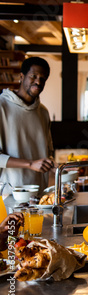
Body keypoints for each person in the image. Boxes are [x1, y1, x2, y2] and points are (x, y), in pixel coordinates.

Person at [0, 57, 54, 193]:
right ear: (21, 76)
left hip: (39, 192)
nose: (38, 82)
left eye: (43, 79)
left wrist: (58, 166)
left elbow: (48, 153)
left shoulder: (43, 112)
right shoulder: (2, 106)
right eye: (33, 76)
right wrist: (30, 164)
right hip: (9, 193)